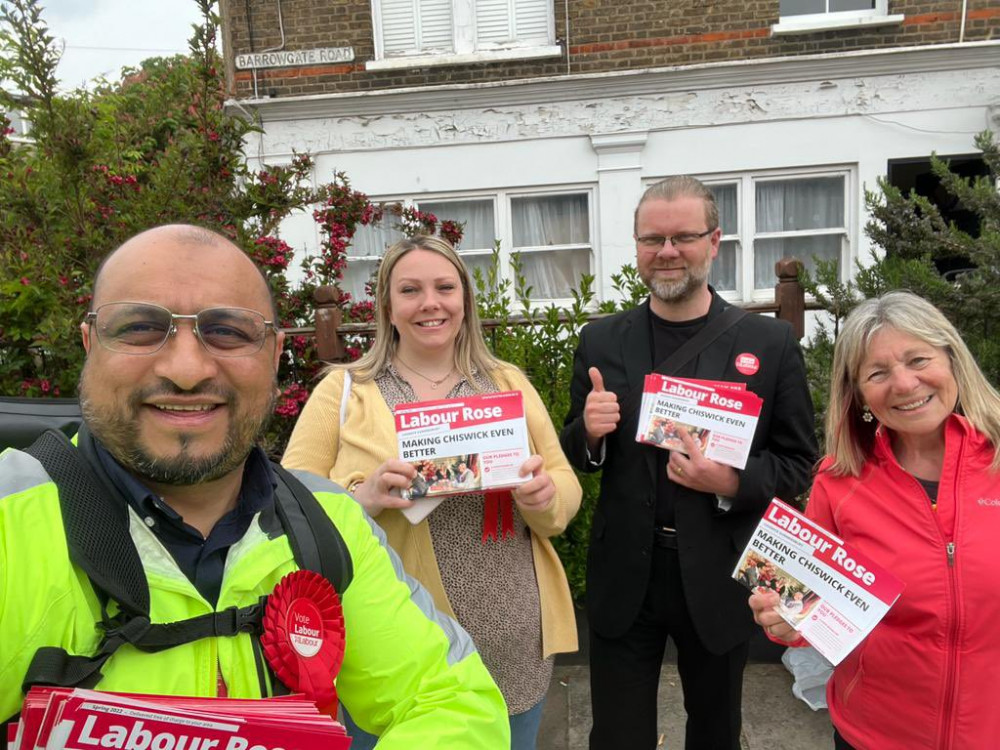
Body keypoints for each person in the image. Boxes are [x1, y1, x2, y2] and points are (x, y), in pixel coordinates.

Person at [0, 226, 509, 747]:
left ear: (273, 353)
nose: (187, 369)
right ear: (90, 343)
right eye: (139, 328)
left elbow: (451, 703)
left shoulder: (326, 523)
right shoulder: (9, 529)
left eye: (226, 331)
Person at [282, 235, 582, 750]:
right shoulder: (346, 389)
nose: (430, 303)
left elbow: (562, 479)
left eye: (445, 287)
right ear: (388, 307)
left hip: (512, 638)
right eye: (410, 290)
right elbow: (288, 503)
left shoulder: (504, 382)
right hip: (394, 648)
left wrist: (544, 495)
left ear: (464, 299)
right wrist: (364, 496)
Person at [560, 176, 817, 749]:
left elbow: (800, 463)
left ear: (715, 241)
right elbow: (575, 450)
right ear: (636, 247)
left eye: (683, 237)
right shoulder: (601, 339)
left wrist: (729, 481)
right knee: (618, 735)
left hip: (721, 571)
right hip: (627, 570)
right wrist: (591, 434)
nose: (668, 251)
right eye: (653, 239)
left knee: (716, 731)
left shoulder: (769, 343)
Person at [750, 291, 1000, 749]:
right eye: (878, 373)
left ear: (952, 362)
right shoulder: (838, 482)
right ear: (859, 394)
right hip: (873, 735)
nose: (904, 384)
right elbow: (807, 609)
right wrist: (787, 621)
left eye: (918, 359)